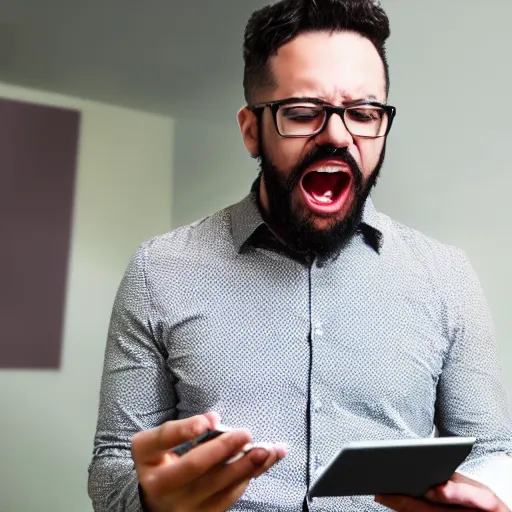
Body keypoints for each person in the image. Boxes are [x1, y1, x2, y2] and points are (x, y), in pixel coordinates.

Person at [87, 0, 512, 510]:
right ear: (251, 130)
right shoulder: (160, 271)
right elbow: (112, 467)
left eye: (362, 113)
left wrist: (488, 497)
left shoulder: (445, 276)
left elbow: (493, 451)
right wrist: (149, 502)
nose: (337, 135)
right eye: (303, 113)